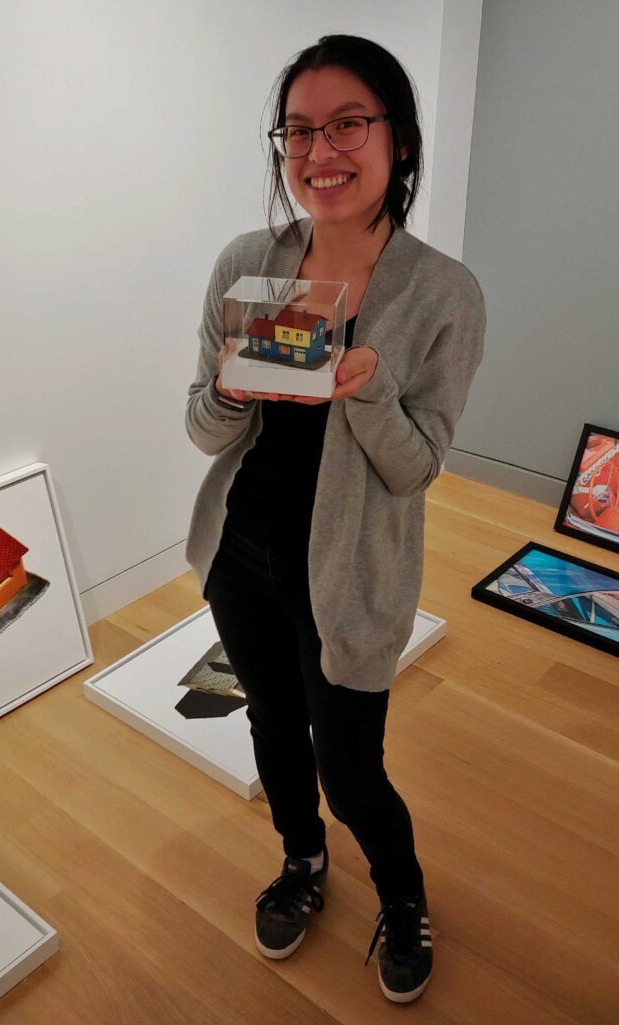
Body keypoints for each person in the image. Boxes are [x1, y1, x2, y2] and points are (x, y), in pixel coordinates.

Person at [184, 34, 486, 1005]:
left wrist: (369, 389)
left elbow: (415, 470)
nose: (321, 151)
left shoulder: (442, 293)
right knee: (273, 725)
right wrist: (232, 385)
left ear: (399, 138)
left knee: (352, 763)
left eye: (348, 123)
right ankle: (303, 858)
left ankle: (401, 893)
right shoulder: (248, 261)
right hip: (244, 552)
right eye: (300, 130)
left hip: (351, 571)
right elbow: (202, 429)